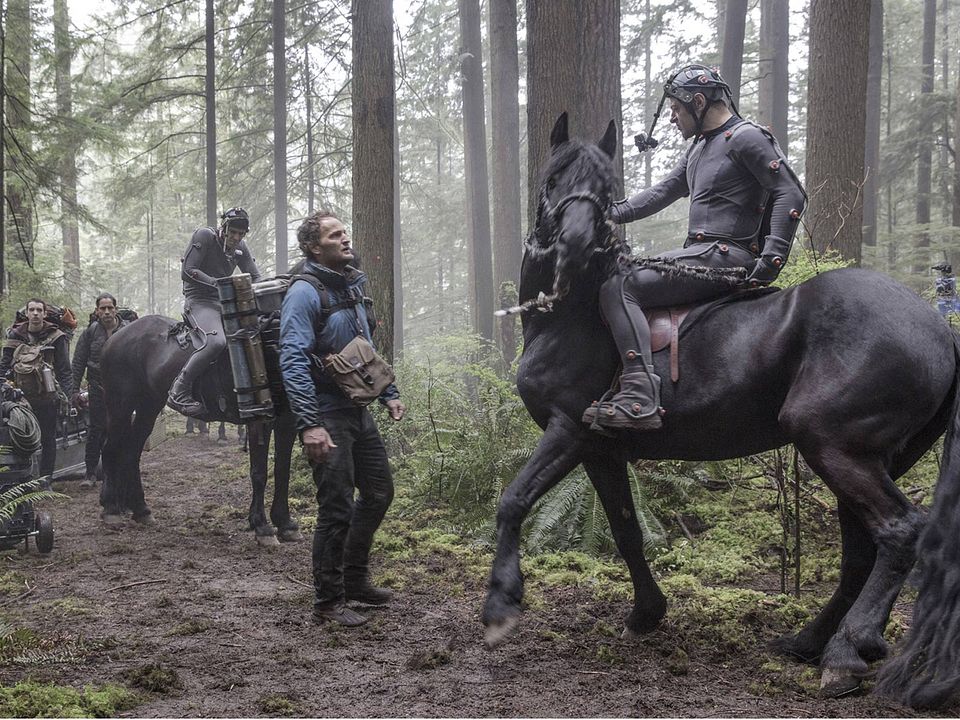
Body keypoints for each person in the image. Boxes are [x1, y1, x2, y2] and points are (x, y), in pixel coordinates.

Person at [582, 64, 806, 431]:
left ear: (698, 102)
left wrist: (772, 258)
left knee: (619, 284)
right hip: (701, 255)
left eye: (676, 109)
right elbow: (664, 191)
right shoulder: (700, 147)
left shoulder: (746, 137)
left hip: (726, 257)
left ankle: (639, 395)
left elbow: (791, 192)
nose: (672, 118)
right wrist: (608, 212)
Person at [280, 211, 405, 627]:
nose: (346, 239)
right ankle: (328, 602)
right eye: (335, 235)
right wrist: (309, 424)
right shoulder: (304, 292)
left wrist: (387, 392)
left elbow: (363, 348)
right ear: (314, 247)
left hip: (356, 408)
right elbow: (293, 359)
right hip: (325, 411)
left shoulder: (351, 285)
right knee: (336, 506)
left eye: (345, 232)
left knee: (379, 492)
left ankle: (354, 581)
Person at [168, 207, 261, 416]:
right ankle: (178, 390)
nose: (236, 237)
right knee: (216, 342)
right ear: (224, 227)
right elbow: (188, 271)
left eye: (241, 233)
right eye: (233, 232)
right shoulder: (205, 236)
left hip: (226, 303)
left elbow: (255, 276)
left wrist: (261, 289)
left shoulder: (241, 247)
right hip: (199, 301)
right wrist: (218, 284)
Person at [0, 298, 75, 479]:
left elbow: (65, 370)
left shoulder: (56, 337)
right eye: (32, 310)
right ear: (26, 313)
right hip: (19, 400)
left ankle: (45, 479)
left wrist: (66, 398)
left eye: (39, 310)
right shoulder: (15, 335)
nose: (35, 313)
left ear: (44, 313)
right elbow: (4, 365)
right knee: (19, 436)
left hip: (47, 397)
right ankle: (24, 477)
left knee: (48, 438)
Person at [71, 293, 132, 487]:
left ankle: (120, 472)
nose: (106, 312)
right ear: (97, 311)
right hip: (97, 388)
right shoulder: (90, 333)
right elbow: (78, 362)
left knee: (121, 429)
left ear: (116, 309)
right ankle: (90, 474)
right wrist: (74, 391)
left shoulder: (128, 331)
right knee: (96, 430)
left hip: (123, 390)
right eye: (102, 308)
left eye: (110, 308)